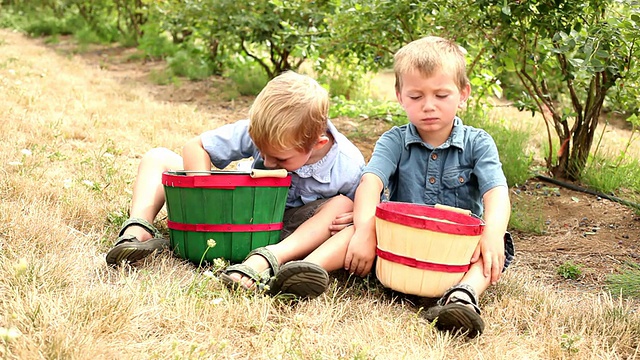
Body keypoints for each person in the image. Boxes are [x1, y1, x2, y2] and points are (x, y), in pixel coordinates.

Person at [105, 71, 365, 300]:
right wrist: (204, 199)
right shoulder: (263, 130)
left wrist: (354, 217)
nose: (267, 161)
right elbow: (196, 146)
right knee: (157, 157)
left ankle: (268, 259)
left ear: (318, 144)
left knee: (344, 204)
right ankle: (139, 229)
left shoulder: (349, 165)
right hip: (240, 212)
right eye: (262, 151)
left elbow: (359, 216)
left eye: (280, 158)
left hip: (292, 232)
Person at [337, 36, 514, 338]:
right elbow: (370, 183)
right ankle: (308, 269)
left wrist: (493, 233)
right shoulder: (394, 140)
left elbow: (496, 193)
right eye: (416, 97)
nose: (428, 106)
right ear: (400, 96)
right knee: (357, 222)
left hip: (456, 251)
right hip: (402, 245)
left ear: (463, 94)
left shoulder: (477, 143)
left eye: (441, 95)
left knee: (498, 243)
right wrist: (365, 229)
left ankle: (463, 295)